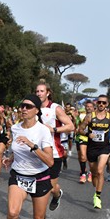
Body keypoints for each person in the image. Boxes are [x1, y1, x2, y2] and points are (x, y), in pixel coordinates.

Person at [1, 95, 54, 219]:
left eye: (28, 106)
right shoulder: (16, 128)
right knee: (12, 212)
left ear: (37, 110)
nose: (23, 109)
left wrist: (32, 145)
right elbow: (16, 149)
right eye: (22, 105)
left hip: (40, 177)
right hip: (19, 175)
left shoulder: (43, 131)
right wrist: (10, 158)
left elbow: (50, 161)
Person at [35, 81, 74, 211]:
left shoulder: (55, 108)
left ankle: (57, 195)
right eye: (37, 91)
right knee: (39, 187)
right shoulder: (33, 108)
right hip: (38, 152)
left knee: (50, 187)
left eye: (42, 91)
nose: (39, 93)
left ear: (48, 93)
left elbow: (71, 126)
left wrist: (53, 129)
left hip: (55, 152)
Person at [77, 95, 110, 209]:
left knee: (100, 171)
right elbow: (79, 129)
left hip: (104, 148)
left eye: (104, 103)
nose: (101, 104)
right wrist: (87, 134)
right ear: (97, 103)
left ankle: (98, 196)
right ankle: (96, 190)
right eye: (99, 102)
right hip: (92, 148)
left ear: (107, 104)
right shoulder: (90, 116)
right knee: (94, 173)